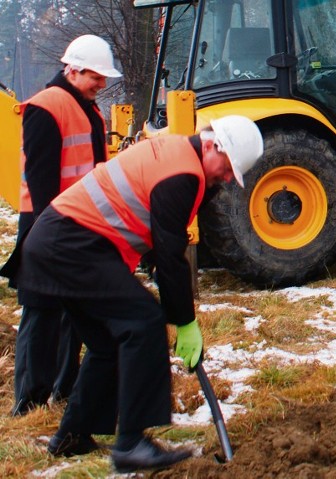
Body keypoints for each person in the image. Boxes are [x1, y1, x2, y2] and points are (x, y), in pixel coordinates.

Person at [0, 115, 264, 472]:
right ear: (211, 145)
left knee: (109, 341)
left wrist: (176, 303)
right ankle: (132, 443)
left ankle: (73, 434)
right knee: (144, 323)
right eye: (229, 167)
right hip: (70, 246)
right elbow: (170, 258)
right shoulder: (182, 175)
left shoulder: (178, 156)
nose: (228, 178)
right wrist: (184, 322)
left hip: (58, 245)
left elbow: (158, 242)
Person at [9, 34, 122, 416]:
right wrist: (48, 236)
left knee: (74, 308)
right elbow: (41, 179)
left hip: (79, 222)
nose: (102, 84)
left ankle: (63, 389)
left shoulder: (87, 107)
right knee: (41, 310)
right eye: (96, 76)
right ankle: (30, 401)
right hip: (47, 223)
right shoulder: (47, 107)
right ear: (73, 70)